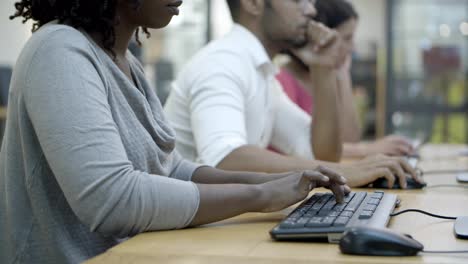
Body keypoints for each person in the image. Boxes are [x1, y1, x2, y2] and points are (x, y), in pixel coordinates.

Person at [0, 1, 349, 263]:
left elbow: (171, 168)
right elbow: (112, 199)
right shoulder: (58, 50)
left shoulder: (126, 62)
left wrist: (271, 183)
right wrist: (260, 197)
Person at [164, 0, 423, 188]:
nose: (310, 10)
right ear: (253, 4)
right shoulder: (222, 63)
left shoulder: (262, 74)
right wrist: (347, 171)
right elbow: (224, 159)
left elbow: (321, 153)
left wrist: (322, 69)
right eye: (298, 0)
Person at [277, 0, 415, 158]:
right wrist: (368, 149)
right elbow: (305, 150)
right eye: (347, 38)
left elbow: (351, 139)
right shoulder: (283, 81)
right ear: (320, 35)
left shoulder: (328, 78)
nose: (352, 47)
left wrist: (343, 74)